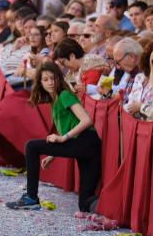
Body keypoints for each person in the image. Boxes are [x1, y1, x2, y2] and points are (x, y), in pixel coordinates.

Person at [7, 61, 101, 212]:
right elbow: (68, 127)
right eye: (45, 79)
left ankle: (31, 197)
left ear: (59, 78)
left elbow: (86, 120)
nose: (50, 82)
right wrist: (52, 154)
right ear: (40, 82)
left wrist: (63, 139)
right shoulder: (55, 99)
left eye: (53, 78)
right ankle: (110, 210)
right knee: (85, 203)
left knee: (31, 146)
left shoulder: (64, 95)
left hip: (87, 142)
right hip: (84, 146)